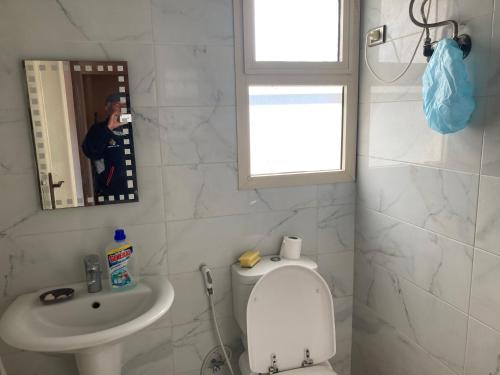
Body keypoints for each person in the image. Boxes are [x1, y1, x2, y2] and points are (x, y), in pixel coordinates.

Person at [82, 93, 128, 198]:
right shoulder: (97, 129)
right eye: (118, 105)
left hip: (139, 187)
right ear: (107, 107)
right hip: (112, 191)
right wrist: (108, 129)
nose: (122, 109)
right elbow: (91, 152)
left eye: (124, 106)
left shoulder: (134, 127)